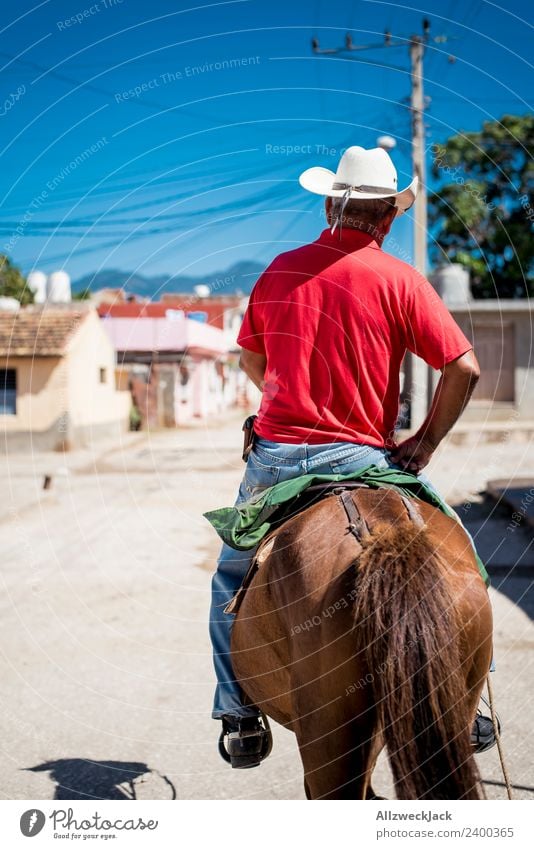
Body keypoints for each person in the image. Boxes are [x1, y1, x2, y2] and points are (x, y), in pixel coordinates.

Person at [209, 145, 496, 768]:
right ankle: (469, 709)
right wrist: (422, 444)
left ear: (329, 204)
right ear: (389, 217)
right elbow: (464, 368)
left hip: (277, 460)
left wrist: (289, 400)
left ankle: (238, 712)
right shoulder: (400, 280)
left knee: (230, 578)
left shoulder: (280, 270)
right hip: (362, 459)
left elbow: (254, 362)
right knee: (462, 557)